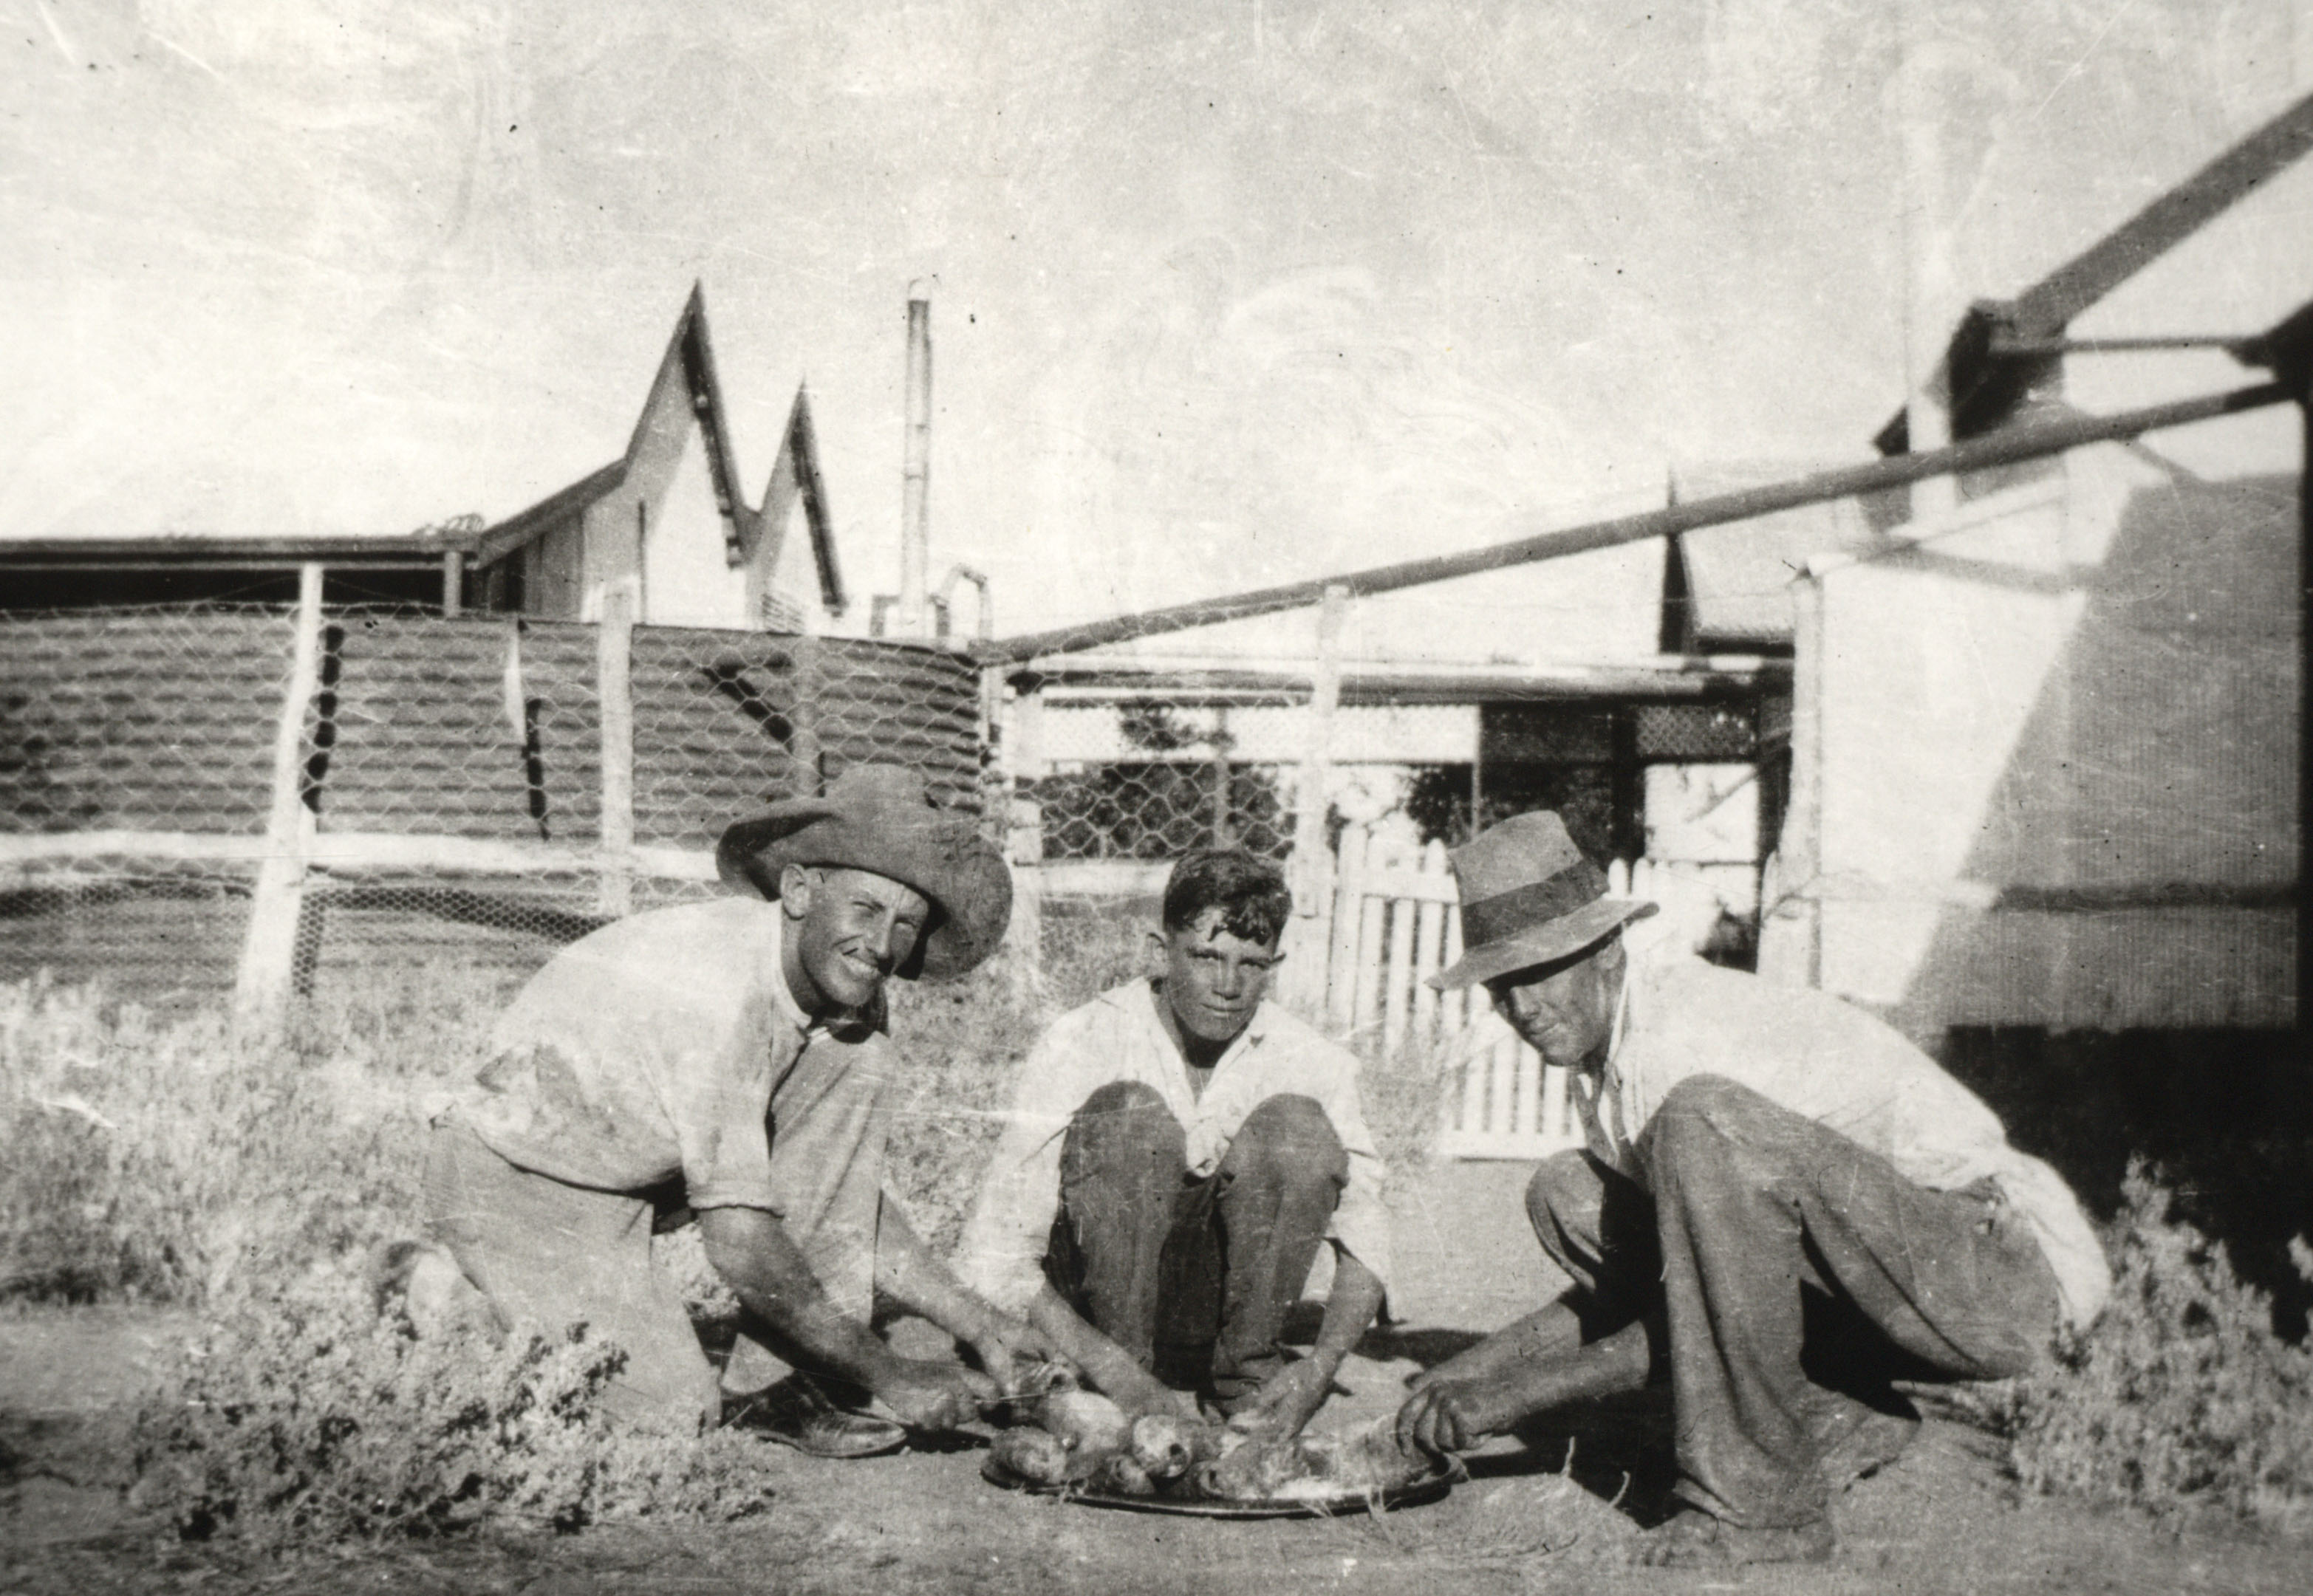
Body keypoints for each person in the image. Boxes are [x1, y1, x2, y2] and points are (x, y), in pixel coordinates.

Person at [1391, 811, 2110, 1566]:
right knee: (1566, 1190)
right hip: (1894, 1289)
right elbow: (1677, 1288)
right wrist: (1454, 1378)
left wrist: (1507, 1398)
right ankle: (1840, 1405)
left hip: (2003, 1283)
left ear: (1604, 950)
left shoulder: (1677, 1045)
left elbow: (1696, 1301)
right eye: (1501, 985)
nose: (1521, 1006)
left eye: (1539, 972)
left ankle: (1760, 1514)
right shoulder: (1612, 1063)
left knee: (1703, 1121)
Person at [422, 763, 1039, 1456]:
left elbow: (842, 1195)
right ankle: (438, 1285)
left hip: (639, 1165)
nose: (882, 945)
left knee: (856, 1053)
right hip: (519, 1178)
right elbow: (739, 1242)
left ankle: (773, 1381)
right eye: (865, 909)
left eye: (907, 924)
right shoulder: (719, 993)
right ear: (801, 890)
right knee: (669, 1415)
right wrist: (886, 1369)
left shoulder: (845, 991)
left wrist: (981, 1323)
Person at [960, 849, 1393, 1439]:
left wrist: (1319, 1368)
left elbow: (1368, 1238)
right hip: (1093, 1325)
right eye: (1206, 956)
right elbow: (996, 1252)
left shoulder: (1309, 1058)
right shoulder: (1083, 1037)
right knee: (1130, 1116)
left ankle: (1245, 1382)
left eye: (1251, 963)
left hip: (1204, 1324)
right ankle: (1124, 1378)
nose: (1227, 985)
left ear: (1275, 965)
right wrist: (1116, 1370)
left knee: (1298, 1129)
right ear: (1160, 950)